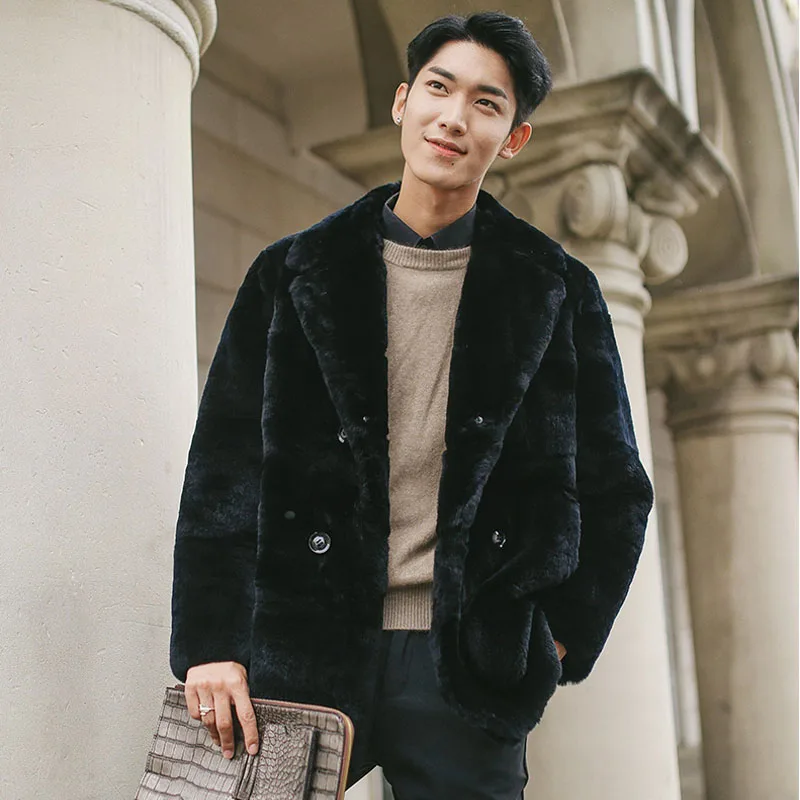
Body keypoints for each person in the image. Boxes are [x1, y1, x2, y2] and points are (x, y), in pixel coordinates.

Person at [169, 11, 654, 799]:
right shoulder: (291, 273)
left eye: (486, 103)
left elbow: (617, 488)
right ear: (403, 101)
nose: (454, 118)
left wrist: (554, 637)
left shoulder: (556, 290)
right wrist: (210, 642)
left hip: (467, 666)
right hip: (297, 652)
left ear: (514, 138)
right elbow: (224, 469)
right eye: (439, 87)